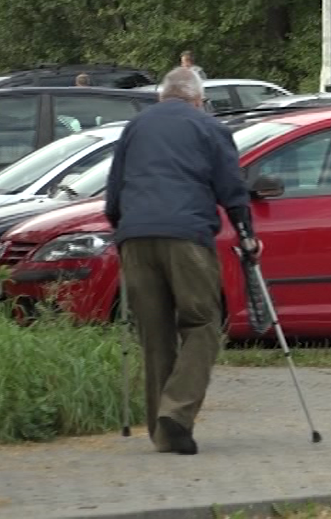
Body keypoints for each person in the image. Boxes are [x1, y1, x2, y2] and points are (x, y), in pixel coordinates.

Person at [104, 66, 262, 455]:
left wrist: (123, 229)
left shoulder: (135, 127)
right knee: (203, 323)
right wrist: (246, 233)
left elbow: (114, 191)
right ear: (197, 99)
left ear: (162, 97)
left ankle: (163, 431)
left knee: (154, 333)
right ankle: (176, 412)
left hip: (135, 237)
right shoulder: (209, 127)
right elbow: (231, 187)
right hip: (186, 236)